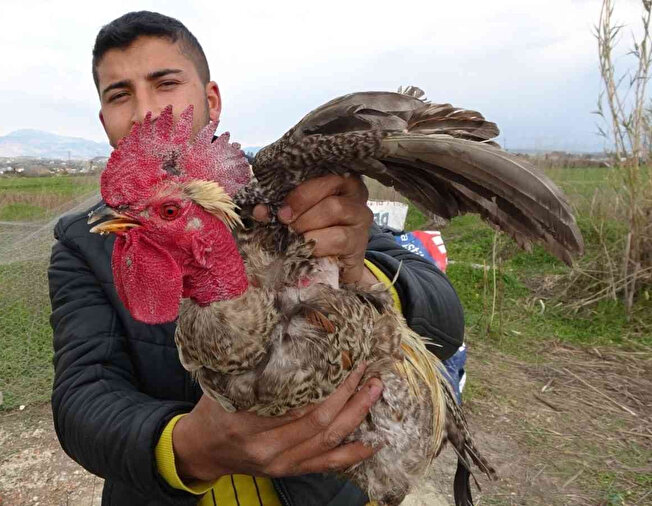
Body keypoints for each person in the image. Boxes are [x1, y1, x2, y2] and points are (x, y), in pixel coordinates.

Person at [48, 11, 465, 506]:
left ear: (211, 101)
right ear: (103, 119)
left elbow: (446, 322)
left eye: (165, 83)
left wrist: (353, 269)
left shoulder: (295, 198)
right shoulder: (85, 242)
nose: (144, 110)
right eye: (120, 94)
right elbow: (82, 395)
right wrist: (192, 449)